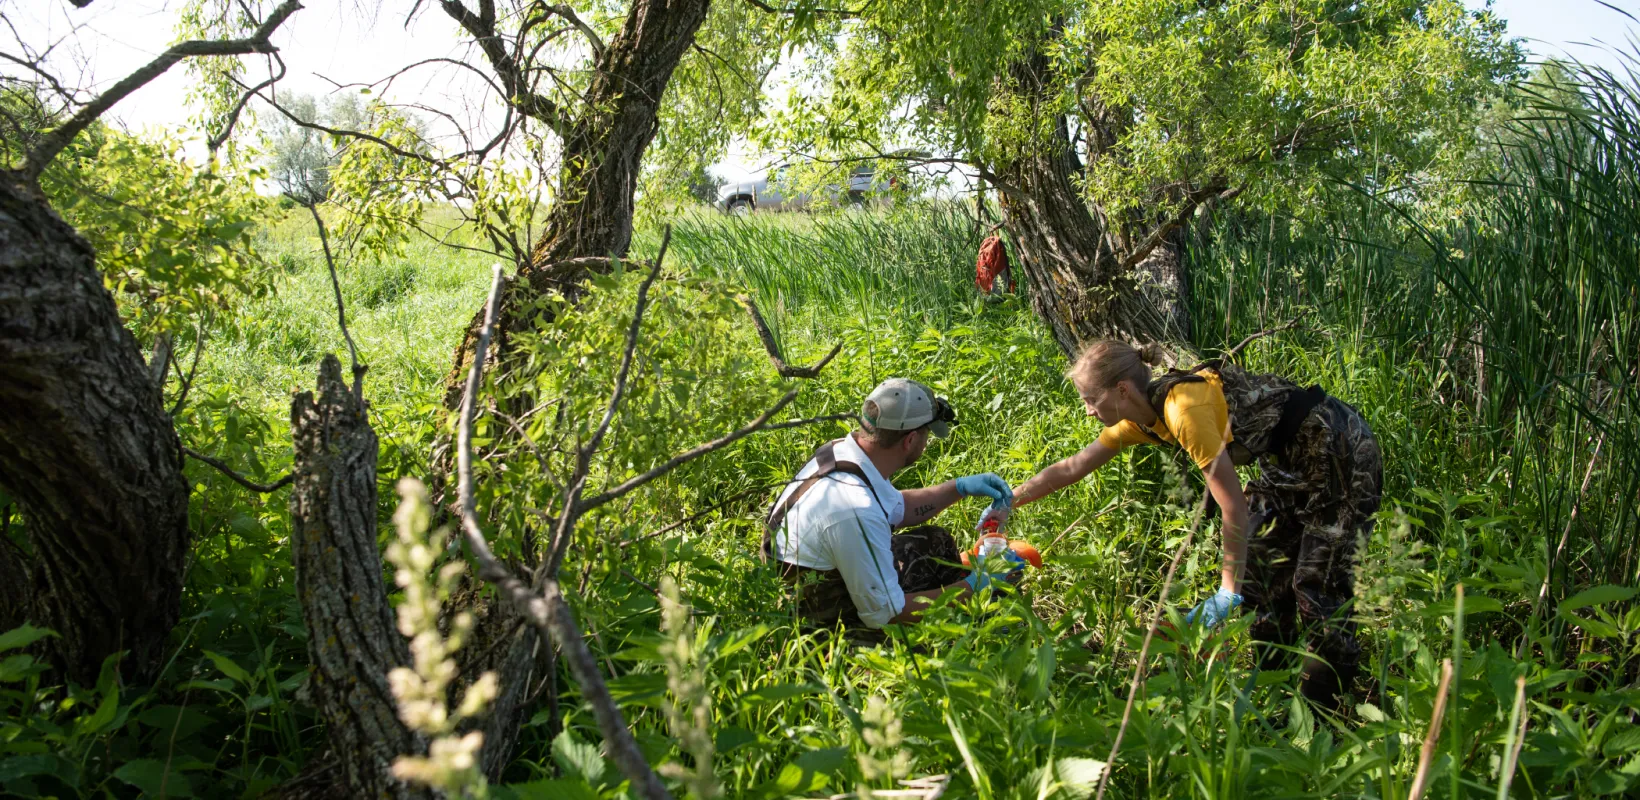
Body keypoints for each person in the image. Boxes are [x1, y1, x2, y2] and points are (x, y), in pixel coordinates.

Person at [1003, 341, 1381, 709]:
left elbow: (1232, 506)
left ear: (1121, 390)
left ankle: (1326, 712)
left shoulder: (1184, 411)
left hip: (1337, 446)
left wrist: (1225, 591)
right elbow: (1072, 467)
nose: (1087, 411)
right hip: (1284, 458)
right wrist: (1009, 499)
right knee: (1262, 570)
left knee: (1317, 583)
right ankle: (1275, 690)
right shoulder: (1139, 420)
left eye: (1090, 399)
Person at [763, 378, 1024, 634]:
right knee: (936, 654)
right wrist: (977, 585)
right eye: (926, 437)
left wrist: (959, 488)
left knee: (937, 541)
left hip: (821, 572)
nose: (926, 444)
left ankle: (965, 607)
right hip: (813, 616)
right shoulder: (855, 508)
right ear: (910, 441)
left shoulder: (847, 453)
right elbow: (886, 615)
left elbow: (900, 507)